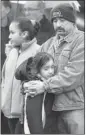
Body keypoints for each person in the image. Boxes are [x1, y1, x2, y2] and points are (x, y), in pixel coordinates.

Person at [23, 3, 84, 134]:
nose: (58, 24)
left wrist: (44, 86)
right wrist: (27, 84)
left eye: (62, 20)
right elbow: (33, 67)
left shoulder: (82, 41)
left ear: (73, 22)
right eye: (55, 21)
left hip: (75, 107)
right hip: (50, 107)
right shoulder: (49, 43)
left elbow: (73, 74)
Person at [1, 17, 40, 134]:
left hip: (25, 115)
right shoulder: (12, 52)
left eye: (12, 32)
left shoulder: (38, 52)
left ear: (24, 34)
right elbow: (4, 79)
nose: (9, 36)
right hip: (7, 112)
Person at [15, 52, 55, 134]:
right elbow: (34, 118)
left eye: (52, 67)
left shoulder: (45, 83)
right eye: (46, 69)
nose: (51, 71)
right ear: (37, 70)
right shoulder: (36, 87)